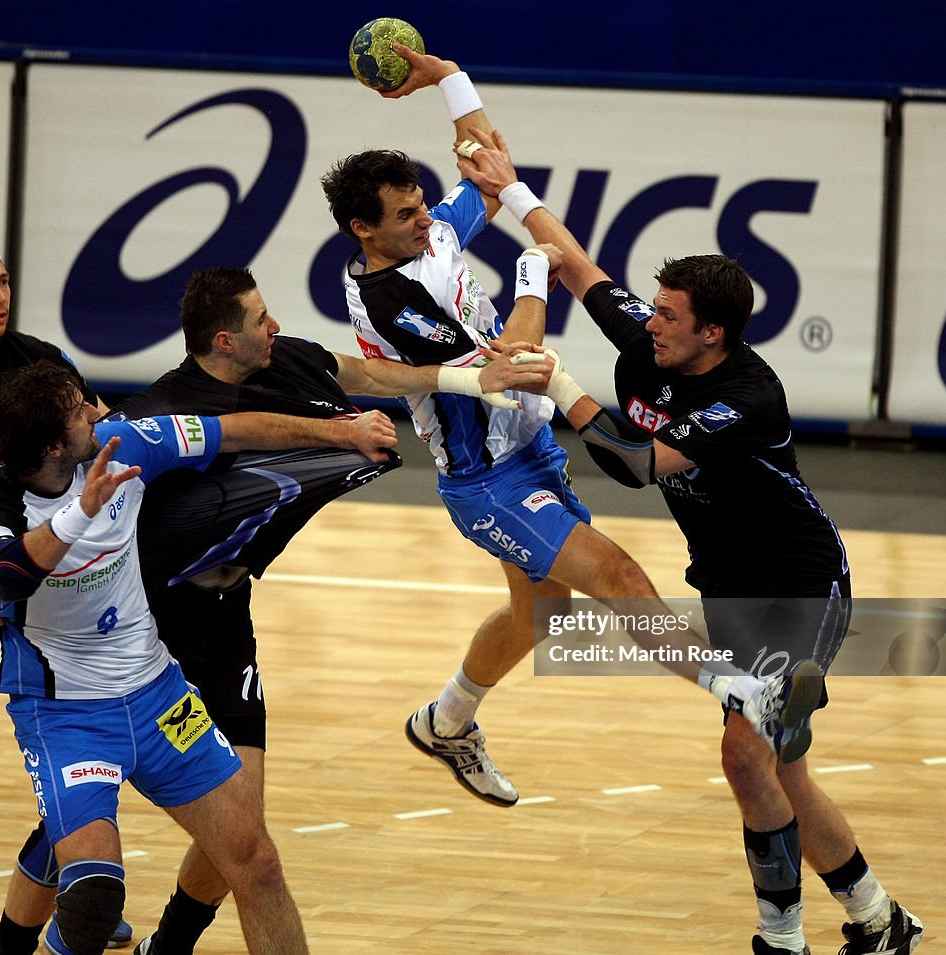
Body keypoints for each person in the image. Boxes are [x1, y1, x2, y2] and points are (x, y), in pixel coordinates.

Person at [451, 123, 924, 954]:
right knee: (781, 767)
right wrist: (514, 188)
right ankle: (880, 916)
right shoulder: (651, 337)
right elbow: (574, 261)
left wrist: (559, 381)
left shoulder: (749, 394)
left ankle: (781, 934)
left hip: (802, 585)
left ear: (714, 333)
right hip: (728, 583)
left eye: (669, 316)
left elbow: (640, 466)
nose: (651, 324)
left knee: (747, 754)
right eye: (656, 310)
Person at [320, 47, 824, 813]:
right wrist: (531, 279)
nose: (429, 218)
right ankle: (744, 691)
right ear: (363, 230)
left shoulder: (428, 239)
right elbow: (516, 361)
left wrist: (449, 79)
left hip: (529, 447)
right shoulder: (389, 300)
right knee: (619, 576)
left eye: (425, 203)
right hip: (486, 481)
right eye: (406, 214)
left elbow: (488, 165)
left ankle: (445, 720)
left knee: (541, 615)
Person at [103, 264, 553, 955]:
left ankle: (168, 943)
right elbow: (205, 443)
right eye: (260, 319)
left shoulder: (287, 362)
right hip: (152, 627)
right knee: (93, 808)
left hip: (225, 620)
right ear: (224, 341)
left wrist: (469, 380)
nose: (274, 326)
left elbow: (367, 375)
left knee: (243, 825)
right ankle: (53, 881)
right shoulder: (164, 410)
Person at [0, 360, 394, 954]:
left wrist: (341, 434)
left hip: (161, 697)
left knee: (256, 862)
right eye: (79, 409)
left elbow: (233, 430)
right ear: (55, 446)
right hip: (66, 718)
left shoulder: (125, 444)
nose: (97, 409)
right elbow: (5, 576)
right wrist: (81, 511)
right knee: (90, 904)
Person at [0, 240, 135, 949]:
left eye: (4, 281)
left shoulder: (38, 363)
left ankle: (84, 889)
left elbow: (101, 430)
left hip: (38, 588)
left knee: (77, 750)